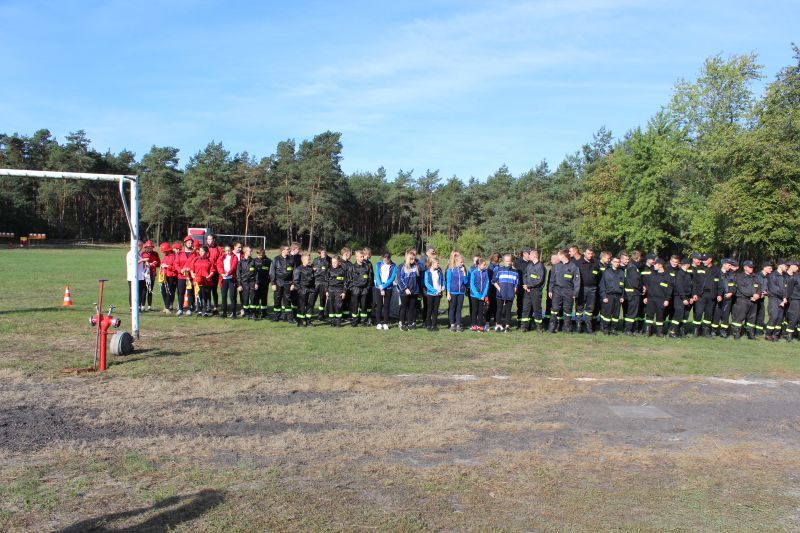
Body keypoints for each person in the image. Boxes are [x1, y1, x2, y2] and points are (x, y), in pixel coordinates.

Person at [548, 249, 581, 333]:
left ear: (563, 256)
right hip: (557, 291)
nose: (557, 256)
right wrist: (550, 290)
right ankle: (552, 327)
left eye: (558, 255)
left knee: (568, 310)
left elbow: (577, 281)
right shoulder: (556, 266)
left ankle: (567, 328)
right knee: (554, 308)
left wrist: (575, 293)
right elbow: (551, 279)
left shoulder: (574, 267)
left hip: (569, 291)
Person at [730, 260, 761, 340]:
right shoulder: (739, 277)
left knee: (752, 318)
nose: (752, 268)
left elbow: (759, 287)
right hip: (742, 300)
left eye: (752, 267)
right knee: (739, 317)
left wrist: (758, 294)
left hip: (754, 300)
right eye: (750, 267)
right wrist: (753, 294)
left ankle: (750, 334)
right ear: (745, 268)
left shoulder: (755, 276)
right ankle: (736, 334)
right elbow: (742, 289)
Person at [643, 258, 673, 337]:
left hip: (661, 300)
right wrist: (646, 297)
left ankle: (659, 332)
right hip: (651, 299)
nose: (654, 266)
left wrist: (667, 299)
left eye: (655, 264)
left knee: (660, 316)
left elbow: (669, 289)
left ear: (660, 265)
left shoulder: (668, 276)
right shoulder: (652, 274)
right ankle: (647, 331)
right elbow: (647, 287)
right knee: (649, 315)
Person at [493, 253, 519, 332]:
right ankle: (498, 325)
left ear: (511, 261)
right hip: (500, 294)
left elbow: (516, 284)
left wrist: (514, 291)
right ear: (504, 261)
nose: (508, 263)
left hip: (510, 294)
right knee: (499, 310)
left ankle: (507, 326)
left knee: (508, 310)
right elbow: (494, 281)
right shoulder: (499, 270)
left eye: (509, 261)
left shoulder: (515, 272)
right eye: (507, 261)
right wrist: (499, 289)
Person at [521, 249, 546, 332]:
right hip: (527, 291)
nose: (529, 256)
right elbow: (525, 275)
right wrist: (526, 285)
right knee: (526, 308)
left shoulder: (541, 267)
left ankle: (539, 327)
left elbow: (539, 280)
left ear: (534, 256)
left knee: (537, 309)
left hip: (536, 291)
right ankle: (524, 327)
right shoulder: (529, 265)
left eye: (530, 255)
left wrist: (529, 286)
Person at [599, 256, 625, 335]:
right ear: (612, 262)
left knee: (616, 314)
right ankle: (605, 328)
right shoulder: (607, 272)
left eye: (618, 262)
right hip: (609, 295)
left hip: (618, 296)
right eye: (615, 262)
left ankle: (613, 329)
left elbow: (624, 286)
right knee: (607, 313)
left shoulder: (621, 272)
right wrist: (604, 296)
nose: (617, 263)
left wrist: (622, 296)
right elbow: (602, 285)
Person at [576, 247, 600, 333]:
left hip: (592, 289)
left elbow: (598, 276)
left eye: (591, 253)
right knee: (580, 307)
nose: (590, 255)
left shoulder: (596, 263)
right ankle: (578, 325)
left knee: (590, 308)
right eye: (588, 253)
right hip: (581, 288)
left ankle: (588, 326)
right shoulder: (579, 263)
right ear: (584, 253)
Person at [348, 250, 374, 327]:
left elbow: (370, 278)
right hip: (355, 289)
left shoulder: (367, 266)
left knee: (364, 306)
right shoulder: (352, 267)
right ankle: (355, 321)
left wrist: (367, 288)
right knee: (355, 306)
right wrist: (352, 288)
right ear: (356, 257)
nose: (362, 258)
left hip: (364, 290)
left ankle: (363, 321)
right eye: (361, 257)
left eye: (363, 256)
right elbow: (349, 280)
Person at [669, 258, 693, 338]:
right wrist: (683, 298)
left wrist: (691, 297)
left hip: (687, 296)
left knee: (685, 315)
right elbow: (679, 287)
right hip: (679, 297)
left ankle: (680, 332)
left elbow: (690, 286)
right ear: (687, 264)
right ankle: (672, 331)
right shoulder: (679, 273)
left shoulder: (687, 274)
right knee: (678, 314)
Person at [397, 250, 421, 331]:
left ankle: (410, 323)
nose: (413, 260)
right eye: (411, 259)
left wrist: (418, 290)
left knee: (412, 308)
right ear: (407, 258)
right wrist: (405, 288)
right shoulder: (401, 267)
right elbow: (400, 279)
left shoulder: (415, 266)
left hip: (414, 291)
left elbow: (417, 279)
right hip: (405, 292)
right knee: (404, 307)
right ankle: (402, 323)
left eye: (414, 259)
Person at [269, 245, 294, 322]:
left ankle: (289, 318)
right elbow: (272, 272)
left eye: (289, 249)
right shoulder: (276, 259)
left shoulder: (291, 260)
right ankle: (276, 317)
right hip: (278, 283)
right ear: (282, 250)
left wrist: (293, 283)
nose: (289, 250)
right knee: (277, 300)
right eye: (287, 249)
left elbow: (294, 273)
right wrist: (273, 283)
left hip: (288, 283)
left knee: (288, 300)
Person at [445, 252, 468, 332]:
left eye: (462, 262)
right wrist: (448, 293)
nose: (462, 263)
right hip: (452, 292)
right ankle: (452, 325)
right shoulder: (450, 270)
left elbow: (465, 282)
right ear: (456, 262)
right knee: (452, 309)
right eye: (461, 262)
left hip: (461, 293)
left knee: (459, 309)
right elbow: (448, 282)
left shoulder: (462, 270)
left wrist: (464, 273)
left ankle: (458, 325)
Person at [766, 260, 788, 341]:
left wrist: (785, 297)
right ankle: (768, 334)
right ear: (780, 266)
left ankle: (776, 335)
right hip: (774, 299)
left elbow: (786, 288)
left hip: (782, 299)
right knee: (774, 316)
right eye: (785, 266)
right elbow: (774, 289)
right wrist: (784, 296)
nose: (786, 267)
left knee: (780, 318)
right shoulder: (772, 275)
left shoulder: (785, 276)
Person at [373, 252, 397, 330]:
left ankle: (385, 323)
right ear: (382, 257)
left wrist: (384, 286)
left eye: (388, 258)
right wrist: (381, 287)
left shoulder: (394, 266)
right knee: (379, 305)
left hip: (388, 287)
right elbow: (377, 275)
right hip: (378, 287)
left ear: (390, 258)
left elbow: (392, 278)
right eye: (384, 258)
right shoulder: (378, 264)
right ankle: (378, 323)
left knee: (386, 305)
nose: (386, 259)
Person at [620, 251, 641, 336]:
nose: (627, 261)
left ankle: (626, 328)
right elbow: (636, 281)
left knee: (627, 312)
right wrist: (641, 287)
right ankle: (628, 330)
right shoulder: (632, 268)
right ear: (621, 259)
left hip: (626, 293)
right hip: (633, 293)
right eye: (625, 259)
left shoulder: (625, 268)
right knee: (631, 313)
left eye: (628, 259)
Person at [175, 236, 196, 316]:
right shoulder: (180, 253)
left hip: (190, 277)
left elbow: (195, 263)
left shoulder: (194, 253)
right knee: (181, 293)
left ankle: (189, 309)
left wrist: (190, 269)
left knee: (190, 293)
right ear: (185, 243)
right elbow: (176, 264)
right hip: (181, 277)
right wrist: (181, 270)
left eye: (191, 243)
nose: (190, 244)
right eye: (189, 243)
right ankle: (180, 309)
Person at [191, 245, 214, 317]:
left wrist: (209, 276)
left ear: (206, 252)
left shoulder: (210, 260)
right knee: (198, 295)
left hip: (206, 281)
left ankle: (206, 311)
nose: (200, 252)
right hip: (197, 281)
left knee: (206, 296)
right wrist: (192, 274)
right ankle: (199, 311)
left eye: (202, 251)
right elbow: (192, 269)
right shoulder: (195, 259)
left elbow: (212, 270)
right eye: (200, 251)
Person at [293, 253, 316, 327]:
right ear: (303, 260)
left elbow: (313, 279)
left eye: (309, 259)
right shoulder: (298, 269)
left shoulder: (311, 268)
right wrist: (300, 290)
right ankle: (300, 322)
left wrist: (313, 289)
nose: (309, 260)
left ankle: (308, 321)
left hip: (311, 290)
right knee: (301, 306)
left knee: (310, 305)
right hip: (302, 290)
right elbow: (295, 281)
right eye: (308, 259)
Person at [716, 259, 737, 338]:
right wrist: (718, 295)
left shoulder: (731, 274)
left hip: (728, 297)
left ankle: (723, 331)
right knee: (716, 314)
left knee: (725, 315)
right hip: (718, 297)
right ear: (724, 264)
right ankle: (713, 330)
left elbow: (734, 285)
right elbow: (714, 285)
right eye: (729, 265)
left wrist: (731, 292)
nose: (730, 267)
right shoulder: (717, 273)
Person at [325, 255, 348, 327]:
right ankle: (332, 321)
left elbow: (345, 282)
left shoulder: (342, 271)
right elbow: (326, 281)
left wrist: (344, 292)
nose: (333, 264)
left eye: (335, 262)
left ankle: (338, 321)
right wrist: (326, 291)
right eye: (332, 262)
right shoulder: (329, 270)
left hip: (339, 290)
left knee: (338, 306)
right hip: (331, 290)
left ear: (339, 262)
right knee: (331, 305)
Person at [217, 244, 239, 319]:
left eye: (229, 250)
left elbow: (233, 267)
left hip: (231, 279)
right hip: (223, 279)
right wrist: (222, 273)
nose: (227, 252)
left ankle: (234, 313)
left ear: (231, 250)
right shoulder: (221, 257)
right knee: (223, 296)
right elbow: (219, 265)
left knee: (232, 296)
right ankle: (224, 313)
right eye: (226, 251)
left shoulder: (234, 257)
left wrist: (228, 273)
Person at [423, 258, 444, 331]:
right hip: (431, 294)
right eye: (437, 263)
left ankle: (434, 325)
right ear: (432, 264)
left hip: (438, 294)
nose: (438, 264)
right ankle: (428, 324)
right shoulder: (427, 272)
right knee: (429, 309)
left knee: (435, 310)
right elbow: (426, 283)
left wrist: (443, 285)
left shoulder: (439, 271)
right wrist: (434, 291)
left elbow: (442, 280)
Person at [469, 259, 490, 332]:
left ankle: (480, 325)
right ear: (479, 265)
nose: (485, 266)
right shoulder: (474, 273)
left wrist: (483, 295)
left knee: (481, 311)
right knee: (475, 310)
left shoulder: (485, 272)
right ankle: (474, 325)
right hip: (474, 296)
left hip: (482, 295)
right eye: (484, 265)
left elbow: (487, 284)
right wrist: (478, 295)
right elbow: (472, 285)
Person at [236, 246, 257, 319]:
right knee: (245, 299)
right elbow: (238, 274)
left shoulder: (253, 261)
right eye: (249, 251)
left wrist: (256, 283)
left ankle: (253, 313)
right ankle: (246, 313)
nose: (251, 252)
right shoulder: (240, 262)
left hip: (252, 283)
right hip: (244, 283)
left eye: (251, 251)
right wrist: (239, 285)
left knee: (253, 299)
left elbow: (256, 273)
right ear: (245, 252)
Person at [139, 241, 160, 311]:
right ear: (145, 248)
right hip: (144, 275)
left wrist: (155, 263)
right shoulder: (142, 254)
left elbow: (158, 263)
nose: (149, 249)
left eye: (151, 247)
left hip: (152, 275)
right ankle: (142, 306)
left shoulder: (155, 254)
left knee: (150, 291)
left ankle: (149, 306)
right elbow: (140, 263)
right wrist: (147, 263)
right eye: (148, 247)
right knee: (144, 290)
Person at [513, 248, 532, 324]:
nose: (530, 255)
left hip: (530, 287)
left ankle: (528, 322)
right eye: (529, 253)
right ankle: (519, 321)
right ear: (524, 253)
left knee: (530, 305)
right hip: (520, 287)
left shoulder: (532, 262)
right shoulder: (517, 262)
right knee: (520, 304)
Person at [783, 261, 800, 342]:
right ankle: (789, 335)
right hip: (795, 300)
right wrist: (787, 298)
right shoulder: (795, 277)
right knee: (794, 317)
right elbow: (789, 290)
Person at [158, 242, 178, 314]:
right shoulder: (165, 256)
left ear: (167, 250)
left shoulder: (174, 256)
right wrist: (161, 267)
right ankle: (166, 306)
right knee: (163, 291)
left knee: (169, 292)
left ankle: (167, 307)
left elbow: (175, 268)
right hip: (164, 276)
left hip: (172, 276)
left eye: (164, 251)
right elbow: (162, 263)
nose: (163, 252)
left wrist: (167, 266)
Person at [205, 234, 222, 314]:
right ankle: (208, 307)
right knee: (207, 290)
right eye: (207, 239)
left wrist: (214, 268)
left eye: (210, 239)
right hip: (206, 272)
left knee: (214, 290)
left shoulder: (219, 249)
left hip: (215, 273)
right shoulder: (205, 248)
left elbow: (220, 260)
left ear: (214, 240)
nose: (209, 241)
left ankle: (215, 307)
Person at [126, 240, 145, 310]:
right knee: (132, 292)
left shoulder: (138, 253)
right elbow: (133, 263)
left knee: (140, 292)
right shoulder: (131, 253)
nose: (141, 248)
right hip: (132, 276)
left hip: (140, 276)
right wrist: (143, 260)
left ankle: (138, 306)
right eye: (140, 246)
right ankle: (131, 307)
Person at [312, 247, 331, 320]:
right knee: (313, 298)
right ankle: (310, 313)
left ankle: (321, 314)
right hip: (316, 282)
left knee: (322, 299)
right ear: (319, 252)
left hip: (324, 282)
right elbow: (312, 269)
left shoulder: (330, 260)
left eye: (325, 251)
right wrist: (313, 269)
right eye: (323, 252)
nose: (324, 253)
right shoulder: (315, 260)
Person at [253, 248, 271, 319]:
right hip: (256, 283)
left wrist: (268, 281)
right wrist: (255, 282)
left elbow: (271, 272)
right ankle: (256, 313)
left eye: (261, 255)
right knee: (256, 298)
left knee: (264, 298)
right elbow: (253, 273)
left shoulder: (268, 261)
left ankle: (264, 313)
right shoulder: (254, 261)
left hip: (265, 283)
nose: (259, 256)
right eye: (258, 255)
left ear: (264, 254)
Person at [486, 252, 501, 327]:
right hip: (492, 289)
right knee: (491, 306)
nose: (501, 259)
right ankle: (487, 322)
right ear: (496, 258)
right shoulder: (491, 267)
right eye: (499, 258)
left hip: (496, 288)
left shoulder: (497, 266)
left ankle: (496, 322)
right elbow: (489, 279)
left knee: (496, 306)